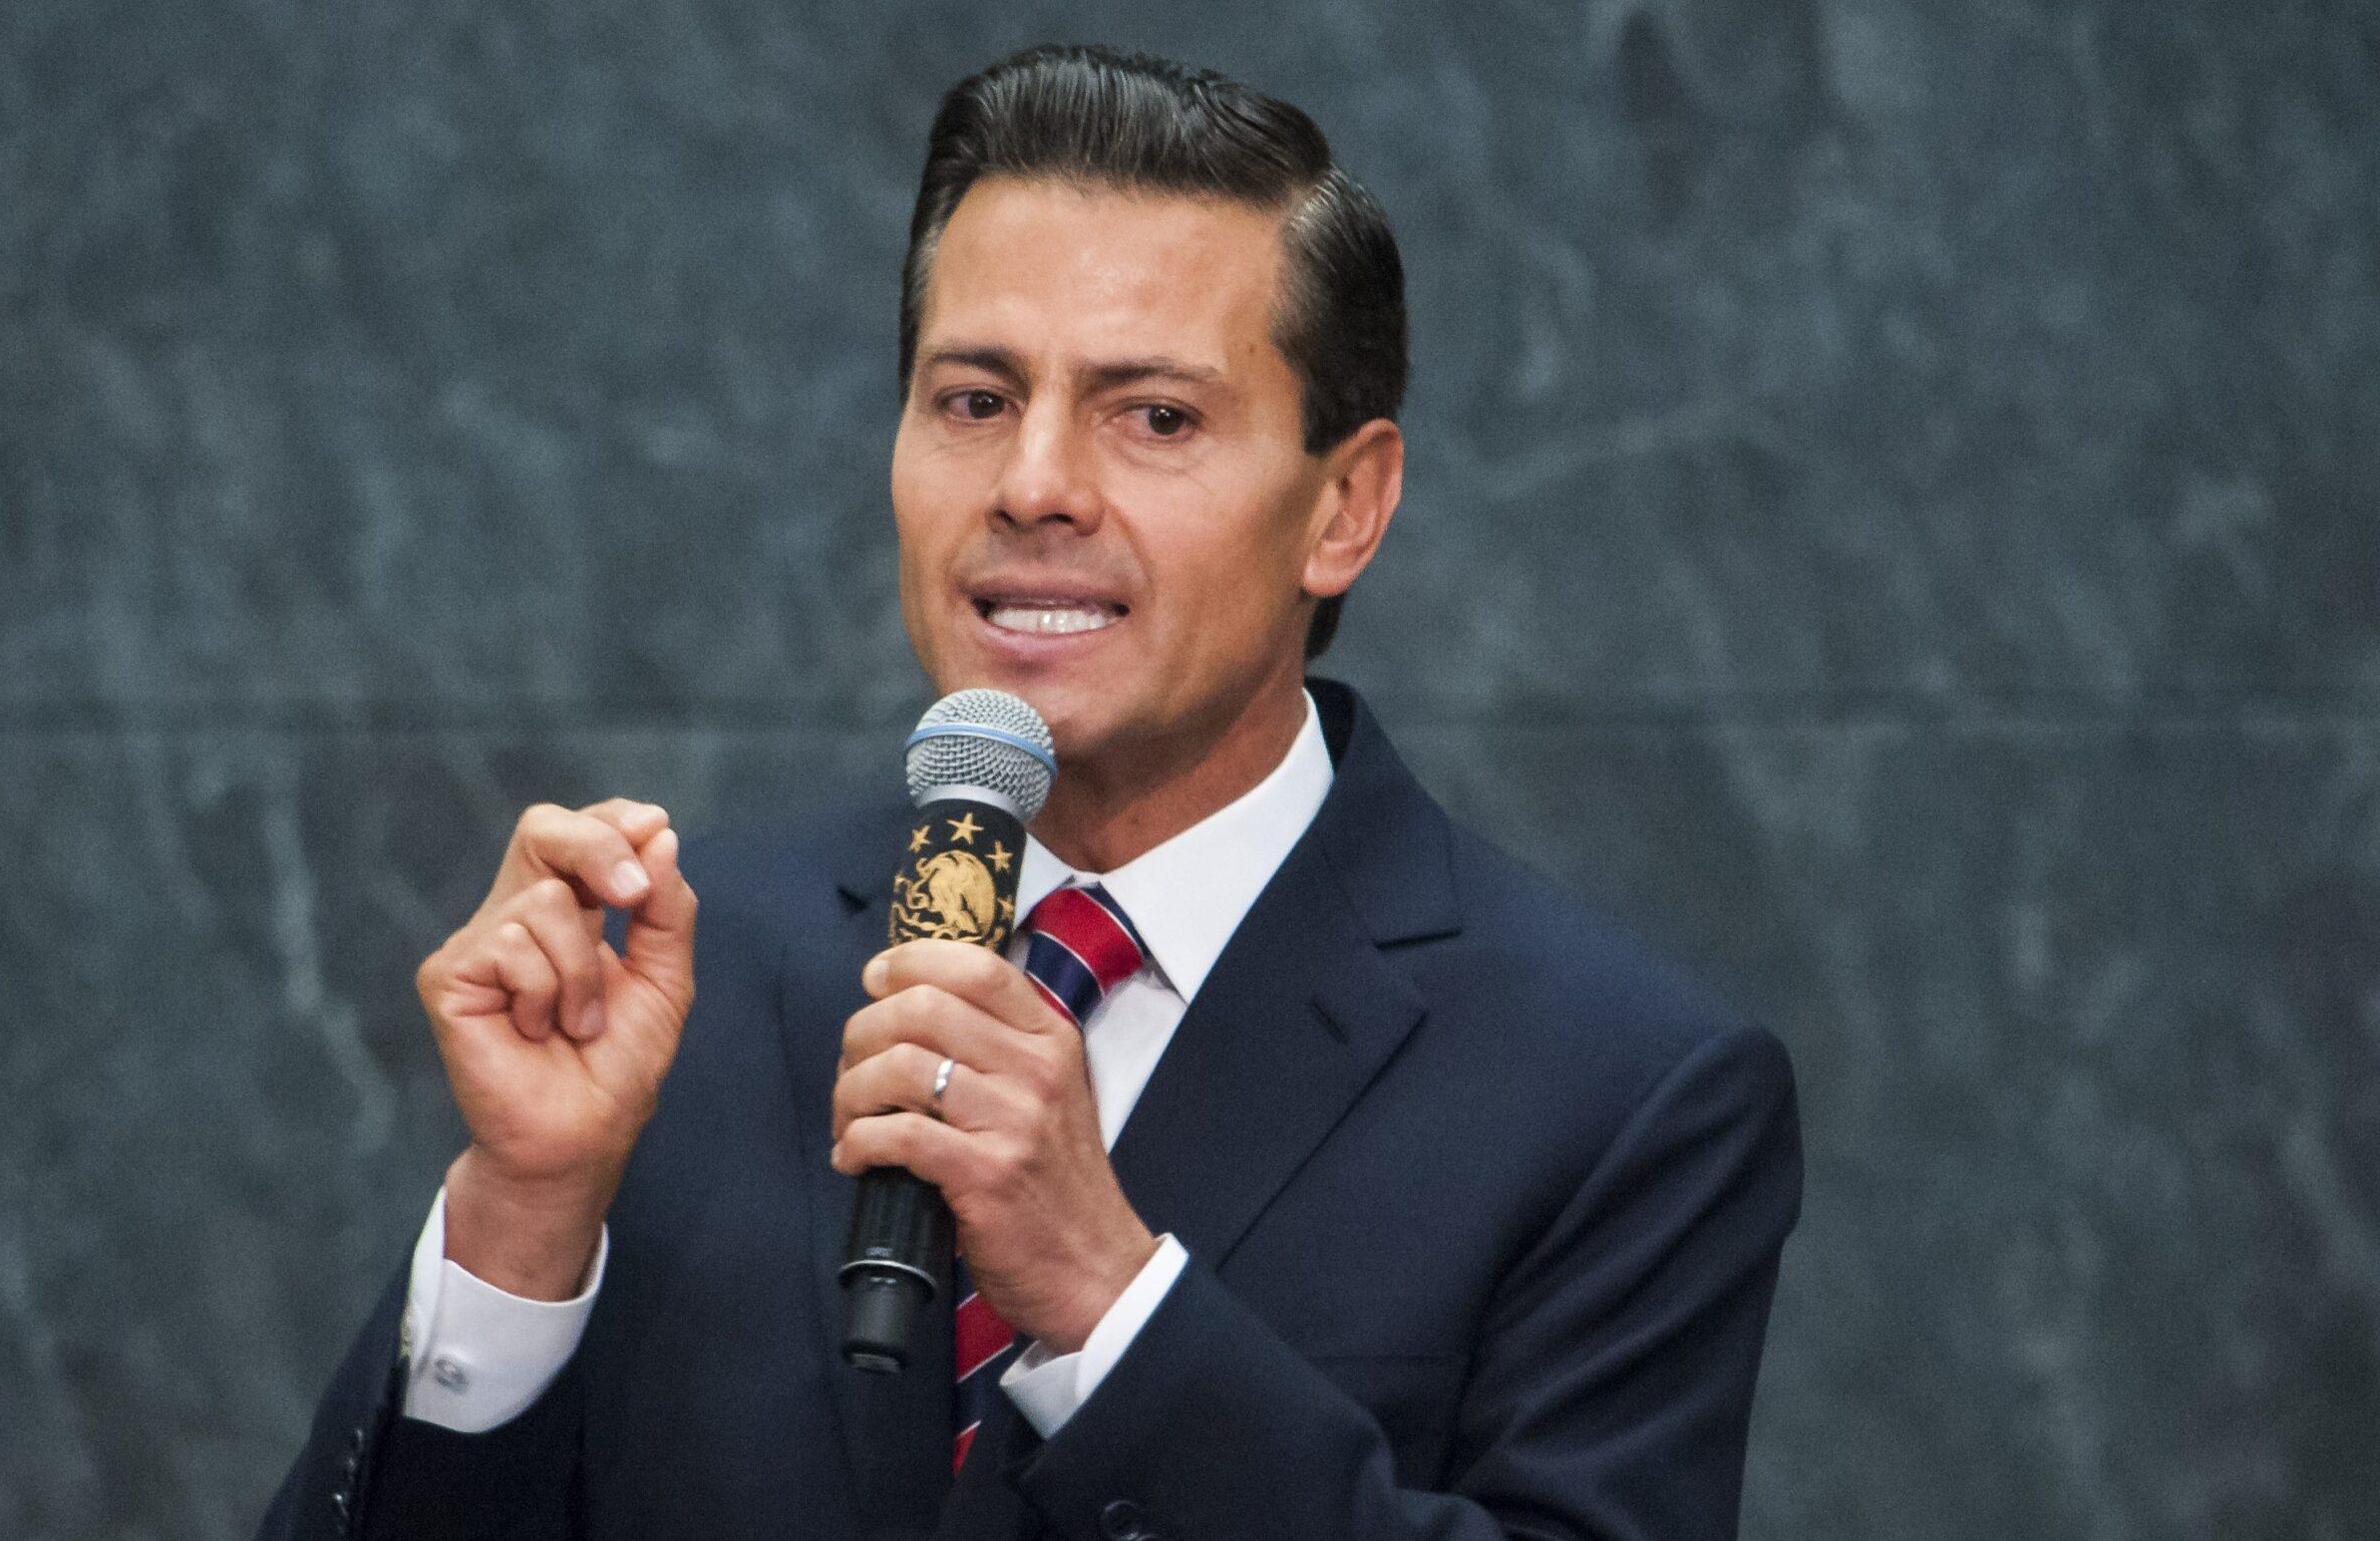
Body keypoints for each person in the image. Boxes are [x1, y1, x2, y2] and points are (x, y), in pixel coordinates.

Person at [263, 42, 1802, 1541]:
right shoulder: (681, 970)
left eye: (1156, 416)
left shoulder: (1621, 1092)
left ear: (1344, 506)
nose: (1033, 484)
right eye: (975, 399)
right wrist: (522, 1228)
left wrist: (1111, 1305)